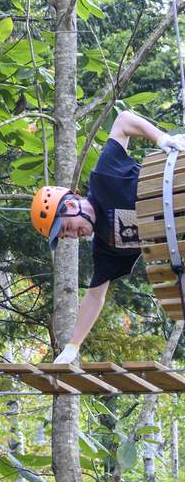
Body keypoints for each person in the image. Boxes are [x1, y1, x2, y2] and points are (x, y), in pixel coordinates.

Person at [31, 109, 185, 363]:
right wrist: (73, 346)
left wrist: (161, 139)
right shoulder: (106, 246)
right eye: (65, 236)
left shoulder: (104, 176)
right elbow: (94, 296)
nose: (72, 236)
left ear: (70, 204)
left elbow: (123, 120)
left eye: (67, 228)